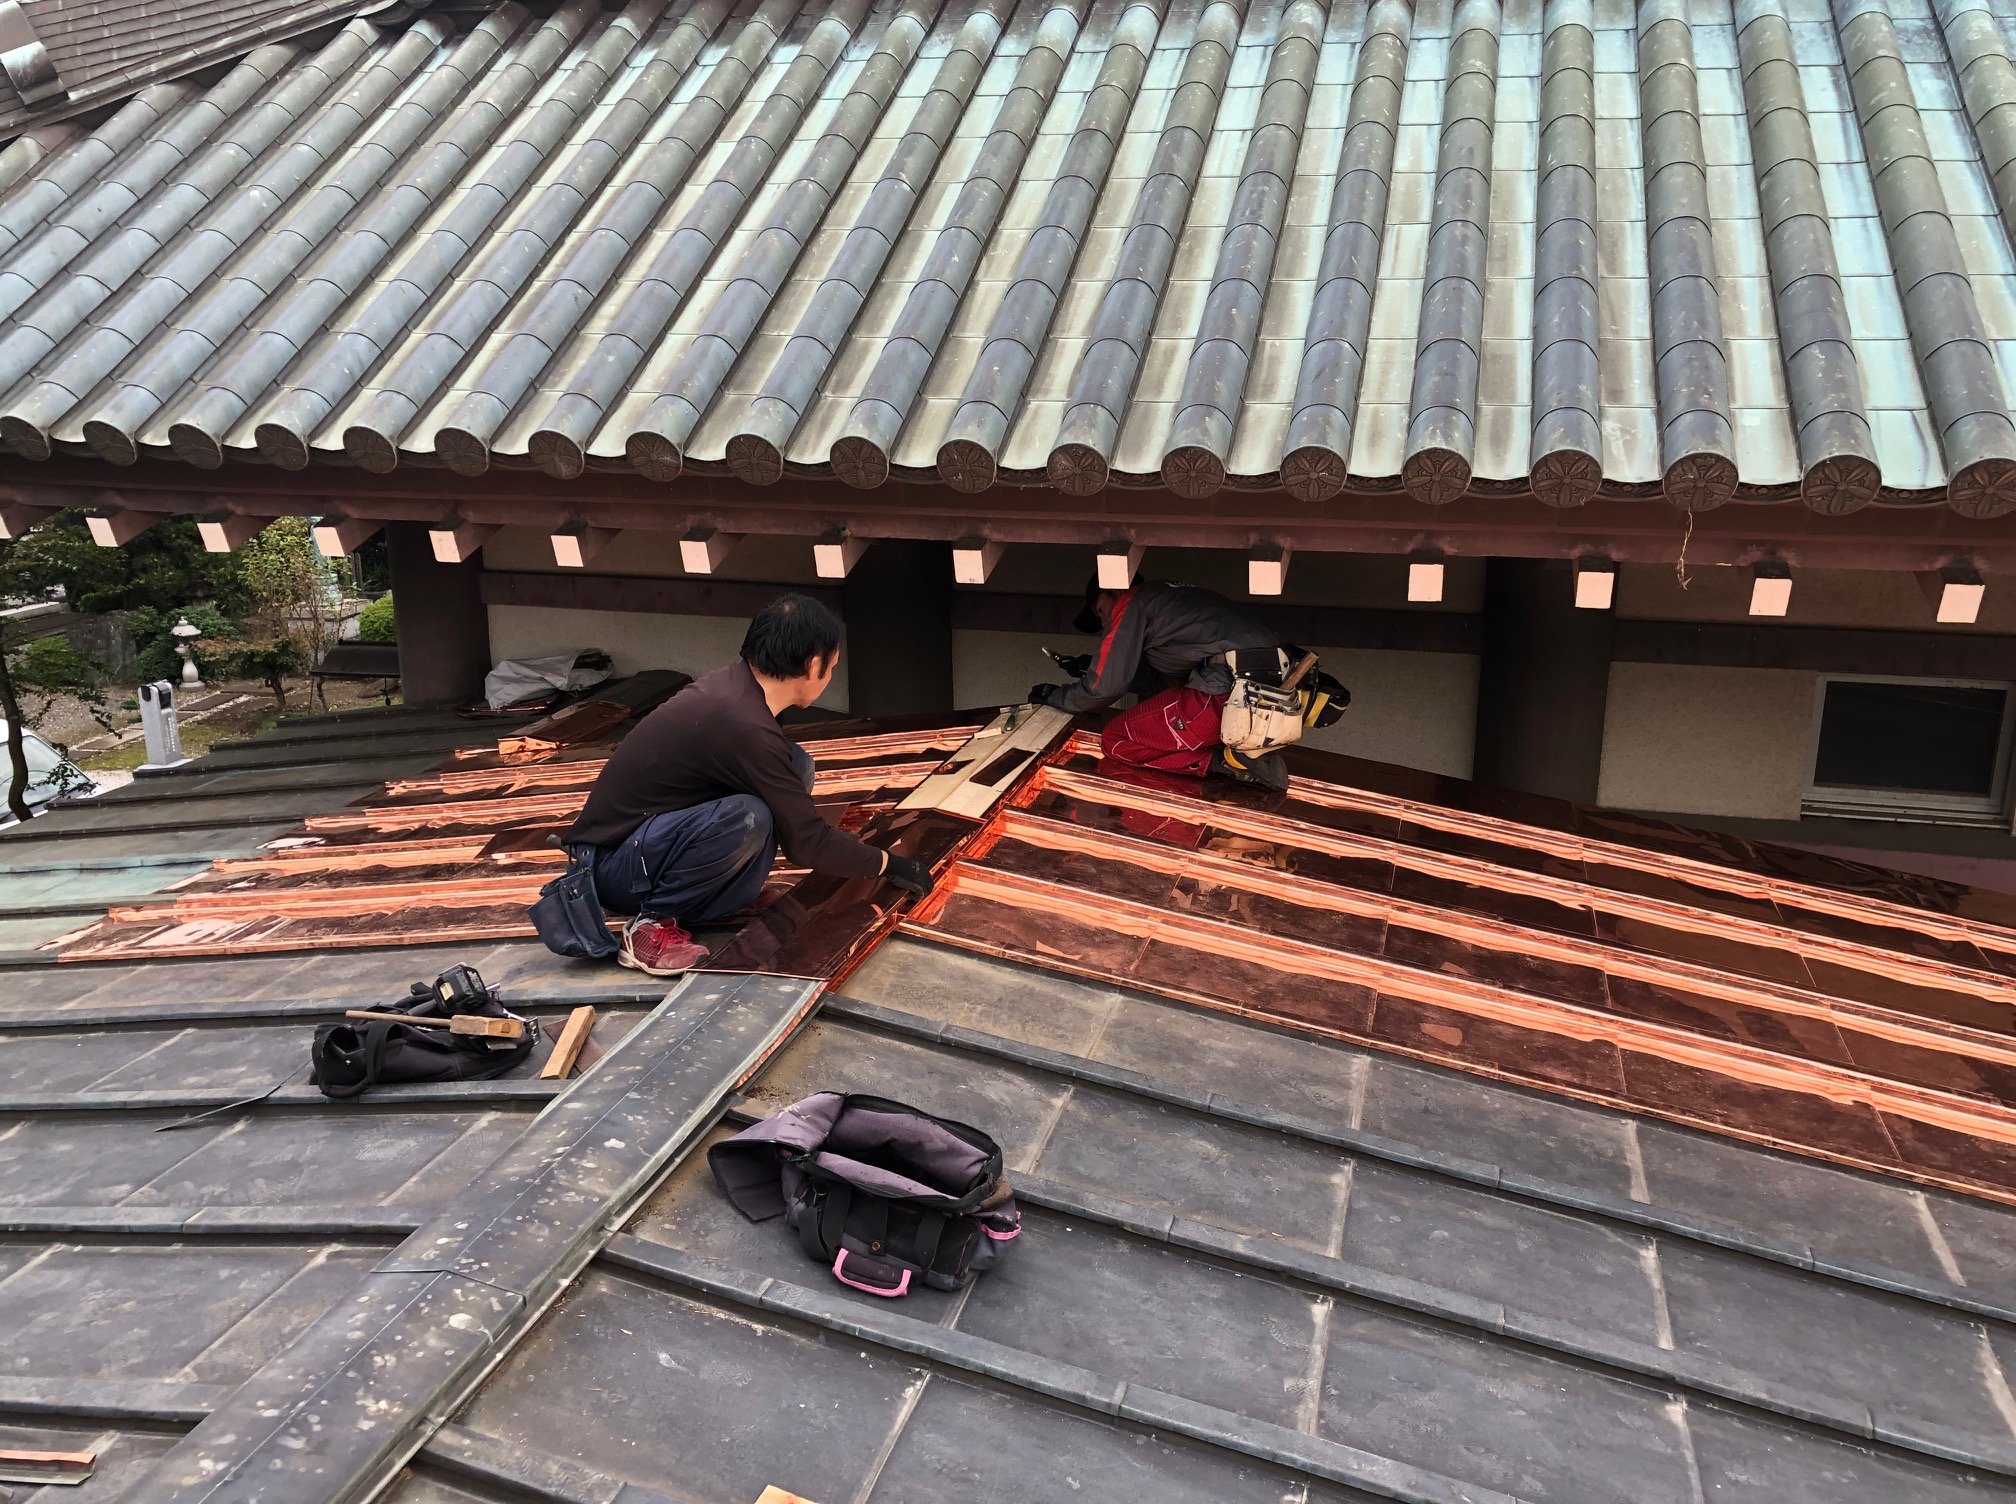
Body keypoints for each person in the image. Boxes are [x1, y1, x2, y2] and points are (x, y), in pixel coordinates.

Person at [562, 594, 935, 976]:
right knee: (748, 816)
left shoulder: (739, 691)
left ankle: (725, 894)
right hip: (611, 871)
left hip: (643, 849)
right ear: (813, 664)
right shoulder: (743, 723)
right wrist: (890, 864)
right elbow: (806, 843)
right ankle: (650, 927)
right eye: (833, 667)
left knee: (795, 765)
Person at [1028, 575, 1293, 792]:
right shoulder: (1171, 599)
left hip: (1228, 700)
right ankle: (1237, 756)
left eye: (1100, 611)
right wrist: (1089, 666)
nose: (1104, 622)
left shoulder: (1132, 602)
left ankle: (1226, 763)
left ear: (1115, 589)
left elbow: (1105, 687)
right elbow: (1163, 680)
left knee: (1117, 739)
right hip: (1271, 702)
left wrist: (1056, 697)